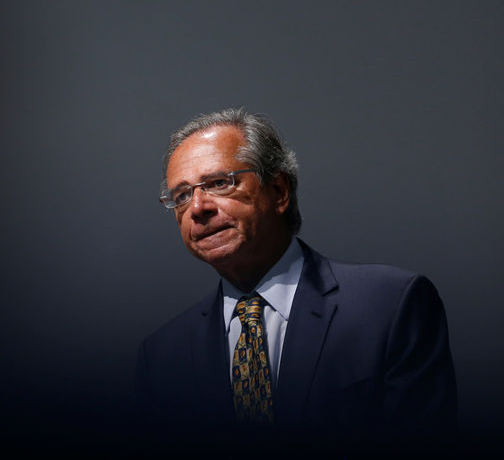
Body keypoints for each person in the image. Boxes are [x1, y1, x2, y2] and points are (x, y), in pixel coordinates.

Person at [135, 108, 457, 456]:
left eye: (218, 183)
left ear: (279, 190)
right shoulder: (162, 356)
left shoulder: (390, 306)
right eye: (181, 195)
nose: (197, 207)